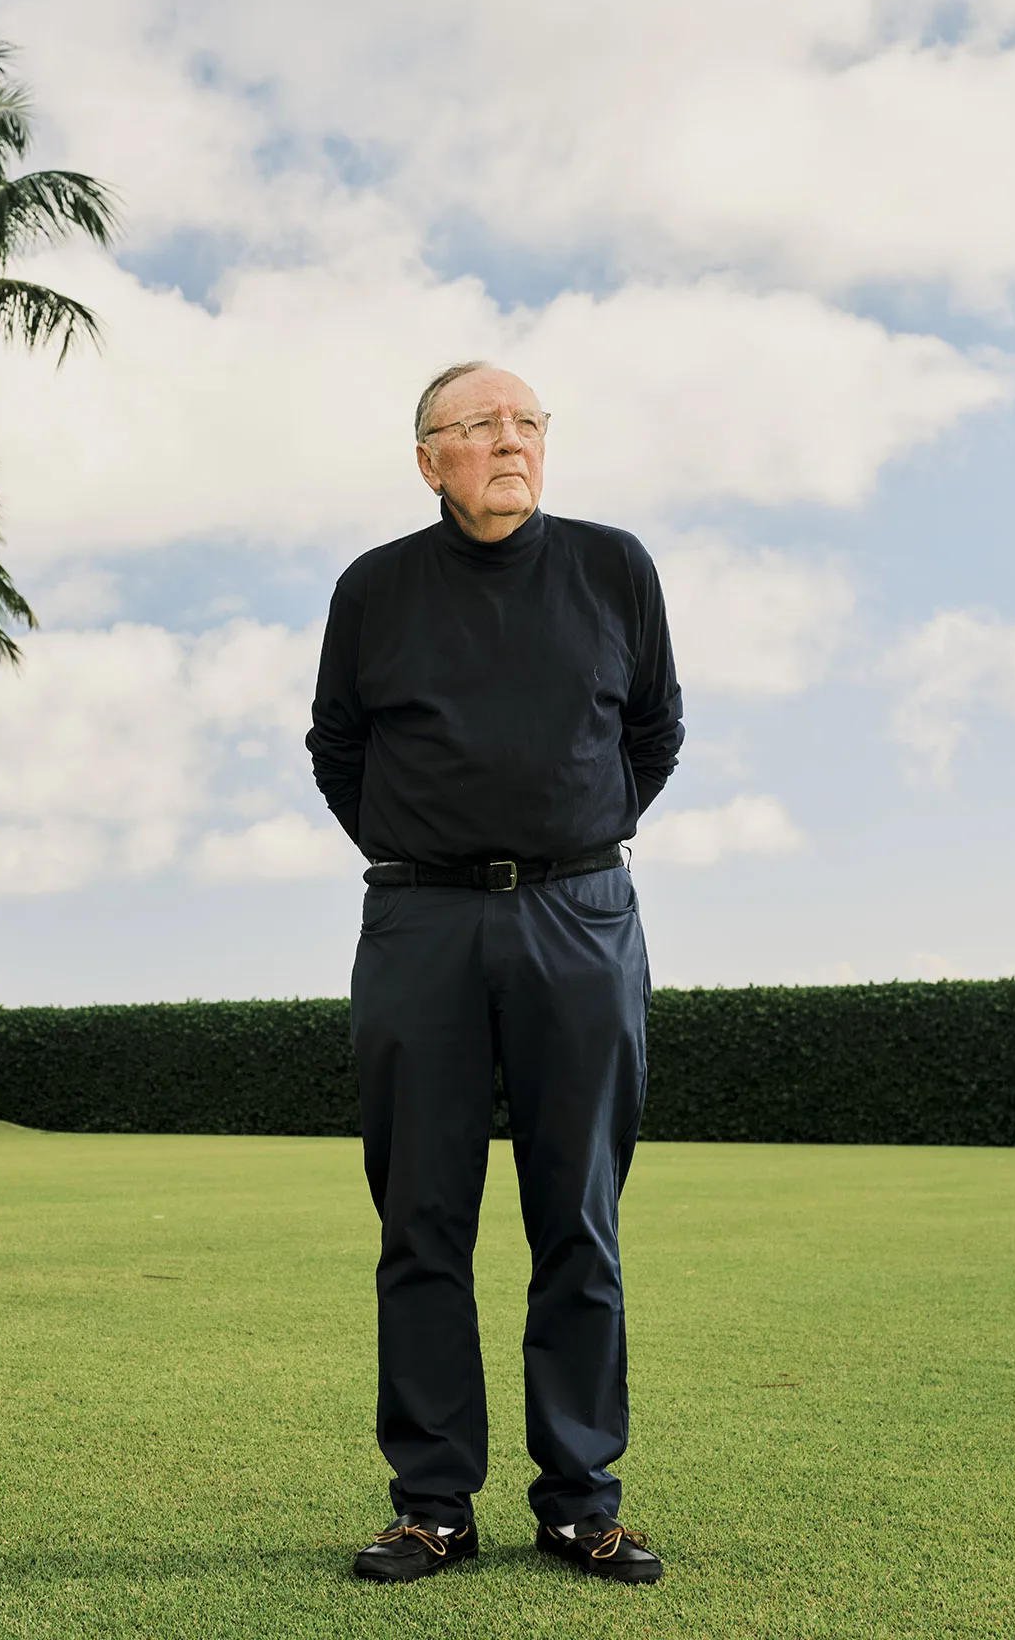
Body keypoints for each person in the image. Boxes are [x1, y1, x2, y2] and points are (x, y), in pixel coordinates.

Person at [305, 361, 682, 1586]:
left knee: (578, 1213)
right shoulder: (373, 588)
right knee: (421, 1218)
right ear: (429, 459)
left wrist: (575, 839)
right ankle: (433, 1504)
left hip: (582, 918)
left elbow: (654, 731)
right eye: (477, 426)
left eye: (526, 421)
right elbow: (338, 747)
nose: (509, 441)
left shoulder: (615, 567)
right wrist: (423, 854)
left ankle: (579, 1500)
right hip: (420, 928)